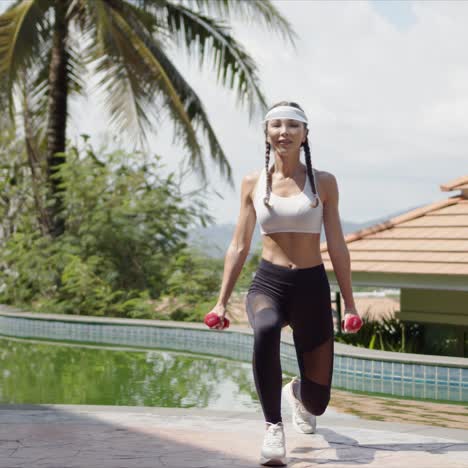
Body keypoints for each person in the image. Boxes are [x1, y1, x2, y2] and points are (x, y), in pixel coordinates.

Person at [210, 101, 360, 466]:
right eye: (276, 125)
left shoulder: (323, 183)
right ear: (267, 134)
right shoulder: (253, 182)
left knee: (318, 402)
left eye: (293, 125)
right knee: (265, 329)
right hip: (269, 284)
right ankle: (273, 428)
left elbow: (337, 245)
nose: (284, 132)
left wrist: (351, 304)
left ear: (305, 134)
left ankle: (296, 393)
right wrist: (220, 301)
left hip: (311, 286)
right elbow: (239, 244)